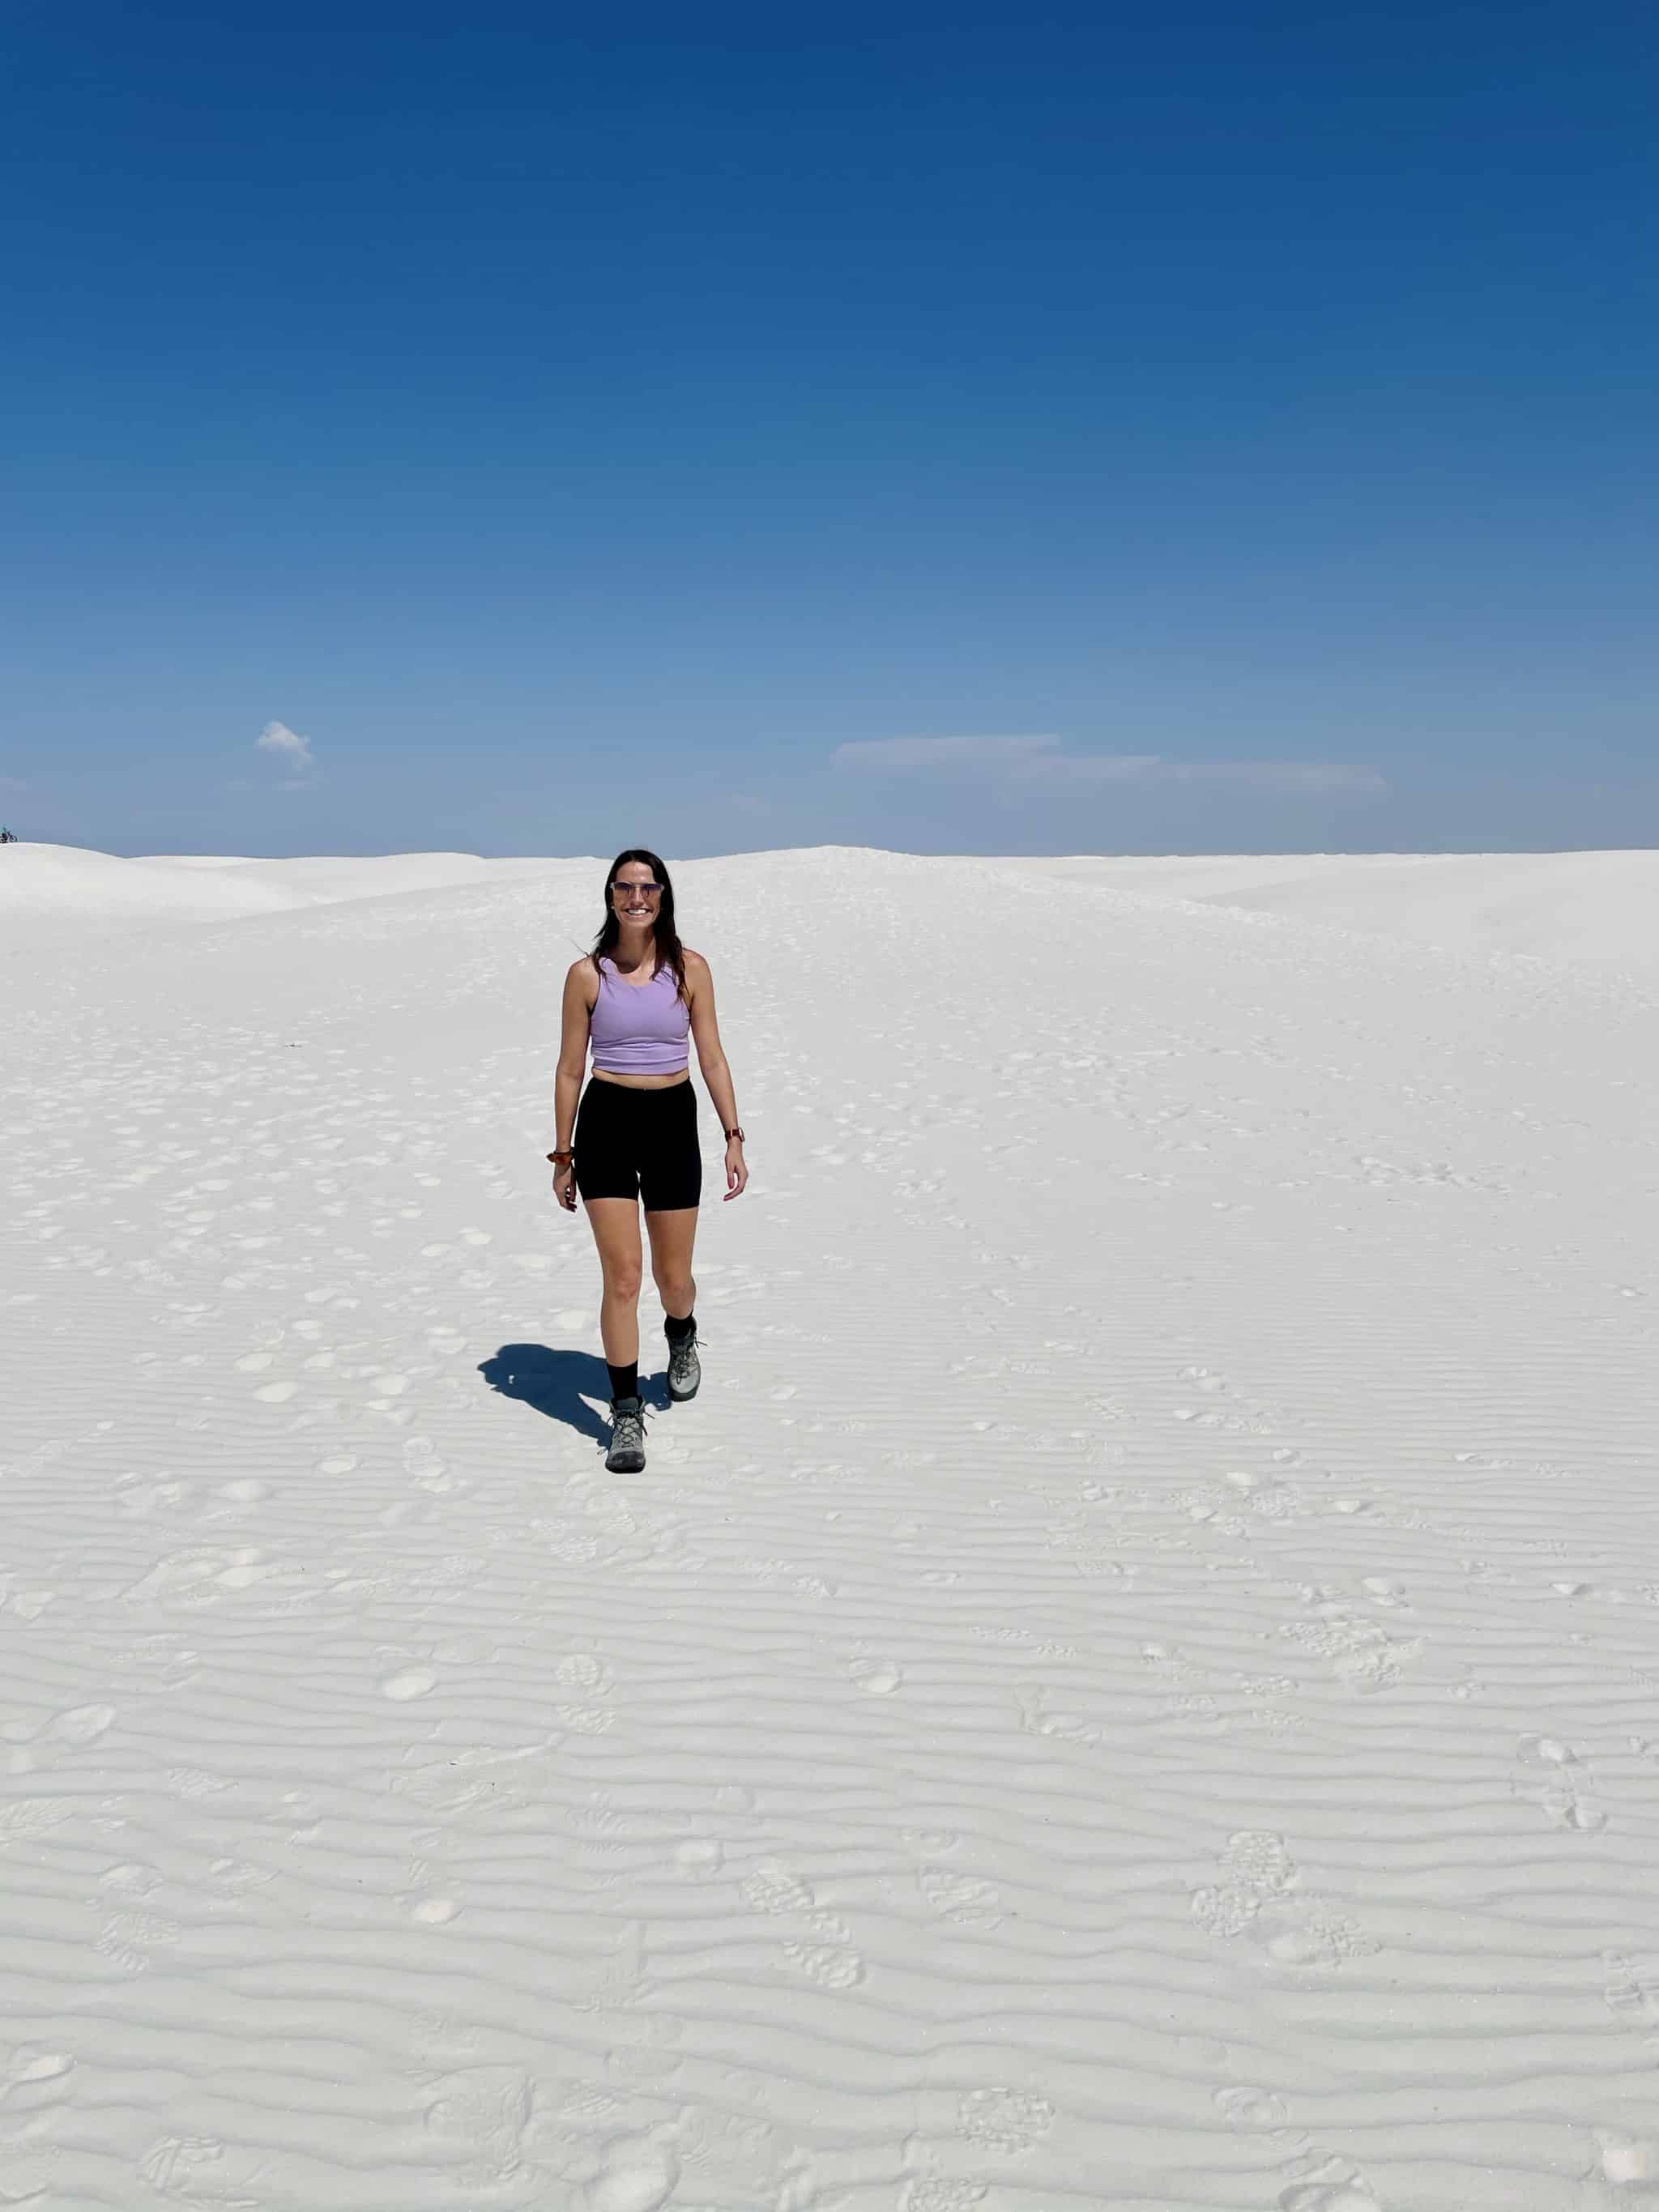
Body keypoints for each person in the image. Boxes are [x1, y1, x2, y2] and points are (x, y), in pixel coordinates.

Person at [549, 848, 748, 1472]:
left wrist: (733, 1134)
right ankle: (626, 1409)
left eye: (648, 887)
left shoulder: (690, 969)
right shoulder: (587, 974)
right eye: (625, 887)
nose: (637, 897)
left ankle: (682, 1333)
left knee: (672, 1279)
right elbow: (568, 1068)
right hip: (605, 1120)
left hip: (671, 1120)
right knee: (625, 1277)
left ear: (664, 896)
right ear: (610, 896)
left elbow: (711, 1056)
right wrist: (563, 1152)